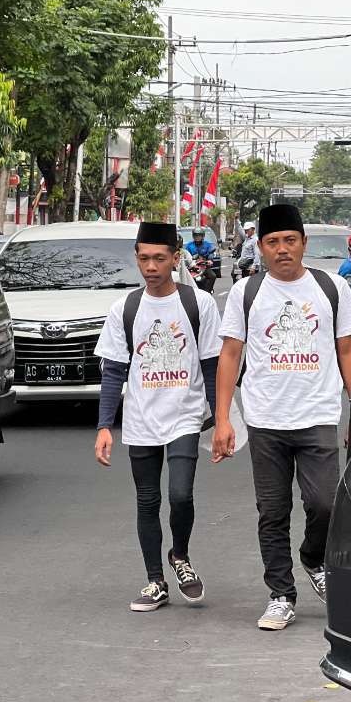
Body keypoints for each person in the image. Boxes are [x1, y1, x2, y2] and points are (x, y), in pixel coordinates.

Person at [212, 204, 351, 631]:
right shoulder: (247, 292)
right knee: (272, 511)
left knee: (325, 503)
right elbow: (230, 354)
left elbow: (349, 350)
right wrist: (223, 418)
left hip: (317, 414)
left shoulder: (331, 287)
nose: (282, 250)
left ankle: (314, 558)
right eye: (273, 242)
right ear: (260, 247)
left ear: (303, 244)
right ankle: (280, 593)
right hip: (265, 418)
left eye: (289, 241)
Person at [93, 221, 222, 612]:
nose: (151, 266)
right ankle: (155, 580)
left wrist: (222, 420)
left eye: (160, 259)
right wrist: (103, 426)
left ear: (175, 259)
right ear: (136, 258)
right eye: (145, 258)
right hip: (140, 419)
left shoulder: (198, 304)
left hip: (184, 414)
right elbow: (114, 370)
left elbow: (213, 364)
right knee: (147, 501)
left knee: (180, 494)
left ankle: (179, 556)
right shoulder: (125, 308)